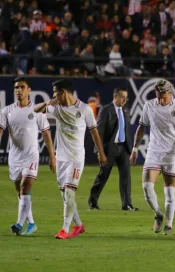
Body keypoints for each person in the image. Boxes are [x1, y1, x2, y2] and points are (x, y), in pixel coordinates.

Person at [34, 79, 108, 239]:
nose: (54, 96)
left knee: (69, 193)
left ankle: (65, 229)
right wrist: (47, 102)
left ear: (64, 92)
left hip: (76, 158)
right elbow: (35, 111)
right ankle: (79, 225)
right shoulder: (56, 107)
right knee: (66, 196)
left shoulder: (84, 109)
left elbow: (94, 132)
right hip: (61, 158)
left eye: (55, 93)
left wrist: (101, 153)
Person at [130, 79, 175, 235]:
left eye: (163, 95)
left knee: (170, 192)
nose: (160, 98)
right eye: (157, 95)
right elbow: (141, 127)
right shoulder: (149, 106)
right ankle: (158, 213)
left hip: (172, 154)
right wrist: (134, 149)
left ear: (170, 92)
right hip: (153, 152)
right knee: (146, 188)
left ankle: (169, 225)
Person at [1, 77, 56, 235]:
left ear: (29, 90)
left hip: (31, 156)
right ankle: (31, 223)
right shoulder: (7, 111)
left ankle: (19, 224)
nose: (18, 90)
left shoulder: (37, 112)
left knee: (26, 186)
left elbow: (46, 134)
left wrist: (52, 156)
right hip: (14, 158)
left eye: (22, 87)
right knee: (21, 192)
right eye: (16, 87)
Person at [88, 88, 138, 211]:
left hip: (123, 147)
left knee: (126, 176)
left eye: (126, 97)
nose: (125, 100)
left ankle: (127, 204)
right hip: (109, 149)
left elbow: (127, 130)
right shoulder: (106, 110)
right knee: (103, 175)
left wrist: (131, 149)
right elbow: (99, 132)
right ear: (115, 97)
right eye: (122, 97)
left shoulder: (125, 110)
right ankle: (93, 203)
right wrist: (100, 152)